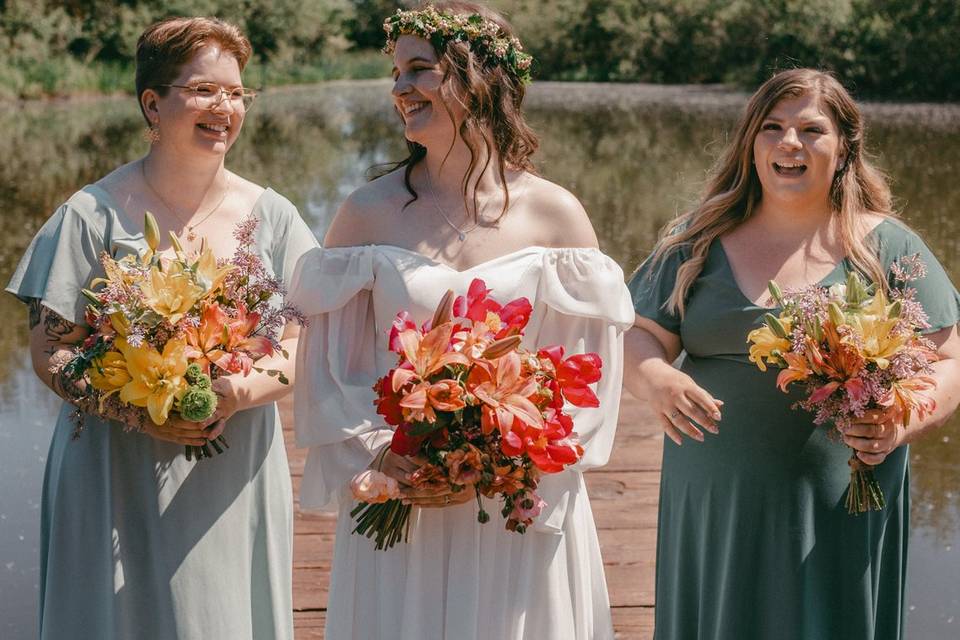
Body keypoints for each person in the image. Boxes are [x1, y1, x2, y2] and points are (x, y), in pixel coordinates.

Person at [287, 3, 634, 638]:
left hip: (512, 506)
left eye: (419, 69)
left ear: (479, 78)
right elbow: (330, 370)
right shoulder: (366, 214)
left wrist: (509, 462)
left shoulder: (557, 216)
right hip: (406, 496)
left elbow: (588, 381)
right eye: (395, 73)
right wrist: (383, 455)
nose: (398, 89)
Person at [5, 17, 317, 639]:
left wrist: (239, 390)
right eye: (203, 89)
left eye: (236, 93)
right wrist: (138, 409)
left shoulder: (273, 217)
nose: (223, 107)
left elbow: (302, 340)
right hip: (113, 467)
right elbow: (50, 353)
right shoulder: (90, 216)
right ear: (153, 102)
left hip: (231, 469)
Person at [624, 68, 960, 639]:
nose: (789, 143)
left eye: (811, 130)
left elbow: (948, 358)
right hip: (715, 503)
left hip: (840, 500)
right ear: (750, 141)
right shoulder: (695, 239)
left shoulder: (888, 247)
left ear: (845, 145)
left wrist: (899, 421)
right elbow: (637, 333)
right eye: (773, 127)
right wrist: (654, 375)